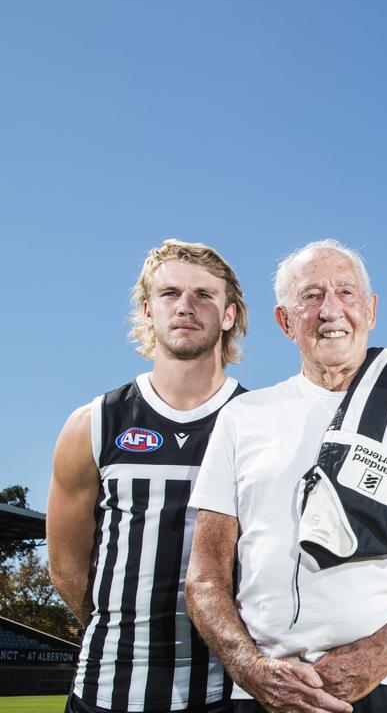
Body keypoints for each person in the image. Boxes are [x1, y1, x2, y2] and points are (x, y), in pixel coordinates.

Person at [184, 239, 387, 713]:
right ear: (285, 321)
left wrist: (376, 655)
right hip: (267, 690)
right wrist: (250, 669)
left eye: (346, 293)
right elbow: (205, 579)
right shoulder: (242, 416)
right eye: (310, 296)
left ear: (370, 311)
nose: (330, 310)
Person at [48, 240, 249, 713]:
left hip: (223, 693)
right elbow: (66, 564)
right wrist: (121, 635)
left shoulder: (261, 424)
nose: (185, 306)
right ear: (148, 309)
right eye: (170, 293)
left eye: (204, 295)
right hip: (104, 690)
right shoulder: (93, 423)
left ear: (228, 315)